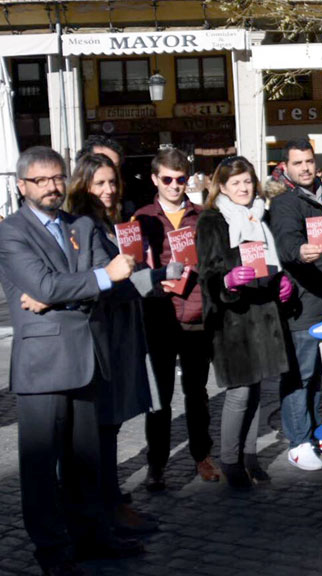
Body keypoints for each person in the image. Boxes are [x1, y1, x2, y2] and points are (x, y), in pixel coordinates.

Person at [0, 146, 142, 575]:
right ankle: (53, 552)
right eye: (40, 180)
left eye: (57, 177)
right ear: (21, 185)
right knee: (41, 469)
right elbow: (49, 282)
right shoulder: (12, 231)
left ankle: (91, 538)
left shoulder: (80, 224)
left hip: (85, 357)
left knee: (86, 462)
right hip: (42, 366)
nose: (51, 187)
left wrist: (61, 293)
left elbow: (107, 281)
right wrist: (92, 280)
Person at [65, 153, 165, 533]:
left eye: (112, 182)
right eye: (100, 183)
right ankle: (106, 506)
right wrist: (148, 280)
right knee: (105, 424)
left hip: (121, 331)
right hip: (106, 335)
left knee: (111, 424)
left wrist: (150, 274)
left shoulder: (106, 221)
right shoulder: (87, 225)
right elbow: (99, 284)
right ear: (84, 186)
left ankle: (110, 500)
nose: (108, 190)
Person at [197, 156, 294, 490]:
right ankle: (230, 460)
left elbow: (270, 262)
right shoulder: (212, 220)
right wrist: (225, 282)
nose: (243, 188)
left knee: (256, 390)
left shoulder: (259, 216)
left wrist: (281, 281)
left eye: (247, 181)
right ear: (221, 186)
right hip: (233, 320)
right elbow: (206, 274)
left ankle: (250, 456)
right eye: (235, 182)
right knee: (239, 392)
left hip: (263, 313)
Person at [134, 147, 219, 491]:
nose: (174, 185)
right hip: (158, 316)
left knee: (197, 393)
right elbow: (133, 266)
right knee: (160, 398)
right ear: (155, 179)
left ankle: (202, 455)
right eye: (167, 179)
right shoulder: (140, 219)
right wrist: (153, 279)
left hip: (196, 315)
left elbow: (214, 260)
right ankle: (157, 464)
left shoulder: (201, 216)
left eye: (180, 179)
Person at [267, 139, 322, 471]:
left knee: (317, 377)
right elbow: (285, 241)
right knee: (301, 376)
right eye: (298, 163)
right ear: (286, 168)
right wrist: (298, 252)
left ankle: (312, 433)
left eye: (309, 161)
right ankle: (297, 442)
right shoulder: (285, 202)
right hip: (303, 302)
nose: (305, 168)